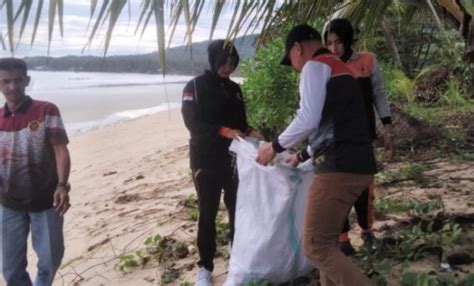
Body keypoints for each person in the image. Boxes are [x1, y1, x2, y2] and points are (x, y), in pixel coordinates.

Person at [256, 24, 376, 286]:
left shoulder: (315, 65)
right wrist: (301, 155)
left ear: (297, 48)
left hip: (339, 165)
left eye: (292, 60)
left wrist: (273, 147)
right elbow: (334, 125)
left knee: (314, 247)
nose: (296, 67)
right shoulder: (339, 67)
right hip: (358, 160)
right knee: (327, 243)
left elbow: (308, 119)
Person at [181, 40, 262, 286]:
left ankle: (236, 260)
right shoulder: (194, 86)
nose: (228, 68)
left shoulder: (236, 89)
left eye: (232, 64)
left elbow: (242, 123)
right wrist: (223, 131)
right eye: (223, 63)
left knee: (238, 210)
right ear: (213, 60)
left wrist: (251, 131)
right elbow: (192, 124)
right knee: (207, 213)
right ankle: (205, 267)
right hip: (205, 160)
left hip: (233, 160)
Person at [324, 18, 395, 255]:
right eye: (330, 43)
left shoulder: (367, 61)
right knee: (338, 191)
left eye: (338, 43)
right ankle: (343, 239)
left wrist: (387, 127)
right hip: (336, 140)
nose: (334, 48)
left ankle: (367, 232)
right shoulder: (323, 66)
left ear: (349, 40)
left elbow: (379, 95)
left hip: (364, 138)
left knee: (365, 189)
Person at [0, 58, 71, 286]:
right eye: (5, 81)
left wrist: (62, 185)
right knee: (11, 269)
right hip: (9, 203)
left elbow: (60, 149)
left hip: (46, 201)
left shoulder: (46, 110)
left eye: (17, 80)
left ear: (27, 81)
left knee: (50, 260)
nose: (12, 87)